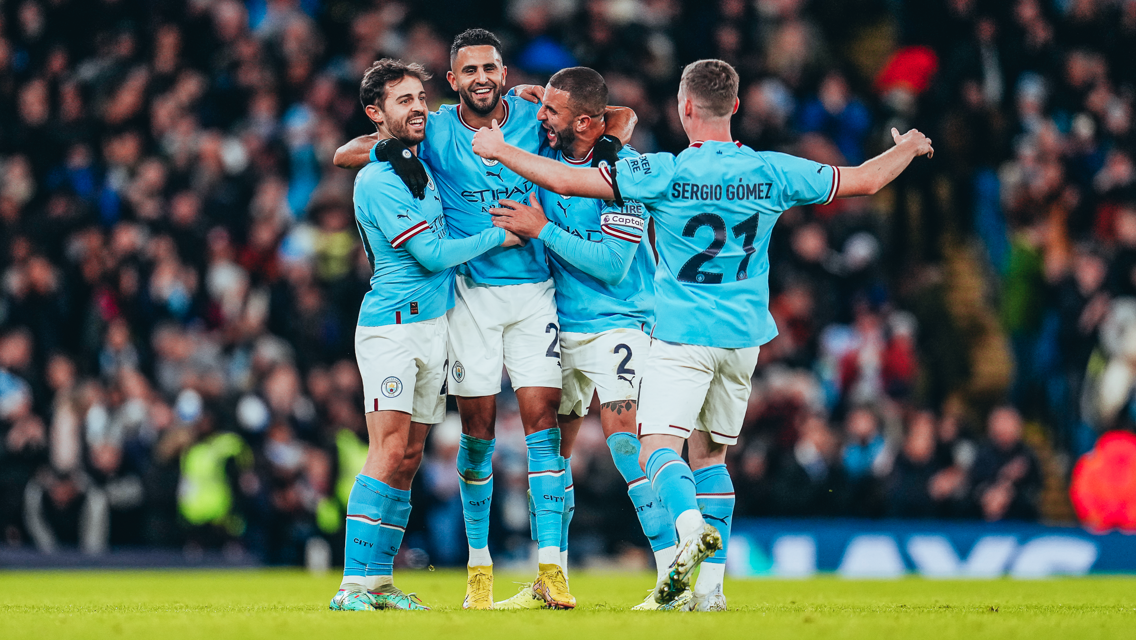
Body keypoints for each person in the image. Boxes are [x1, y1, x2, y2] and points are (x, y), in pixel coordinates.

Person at [471, 58, 933, 611]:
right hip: (743, 340)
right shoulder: (772, 170)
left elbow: (567, 178)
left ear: (685, 107)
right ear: (735, 107)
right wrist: (906, 147)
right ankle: (710, 592)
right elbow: (864, 180)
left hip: (683, 333)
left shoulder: (661, 172)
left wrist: (500, 150)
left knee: (658, 447)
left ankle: (689, 531)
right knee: (711, 456)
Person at [333, 29, 635, 610]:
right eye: (469, 69)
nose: (481, 78)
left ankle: (552, 571)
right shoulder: (435, 128)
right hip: (467, 297)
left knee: (542, 425)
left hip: (535, 294)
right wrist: (386, 147)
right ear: (453, 80)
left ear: (502, 72)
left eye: (490, 68)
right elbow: (346, 153)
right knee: (474, 435)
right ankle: (478, 567)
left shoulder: (533, 115)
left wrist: (552, 105)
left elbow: (619, 115)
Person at [329, 58, 522, 613]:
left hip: (431, 327)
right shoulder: (378, 178)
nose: (416, 107)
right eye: (403, 100)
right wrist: (498, 237)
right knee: (386, 451)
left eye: (420, 98)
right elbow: (432, 254)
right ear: (376, 114)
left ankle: (380, 582)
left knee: (410, 455)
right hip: (394, 328)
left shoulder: (417, 163)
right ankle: (352, 585)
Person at [484, 67, 678, 611]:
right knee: (548, 452)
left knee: (623, 441)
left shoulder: (627, 171)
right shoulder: (550, 153)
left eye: (551, 111)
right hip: (559, 324)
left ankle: (671, 575)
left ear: (587, 122)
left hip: (620, 320)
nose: (541, 117)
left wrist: (541, 227)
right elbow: (618, 115)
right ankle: (552, 578)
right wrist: (534, 99)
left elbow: (614, 265)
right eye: (542, 107)